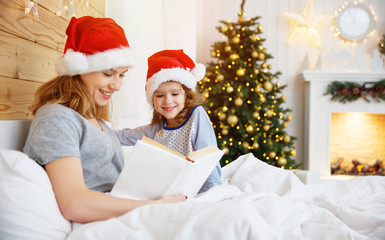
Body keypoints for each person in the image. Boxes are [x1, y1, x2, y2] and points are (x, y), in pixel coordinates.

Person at [23, 16, 186, 223]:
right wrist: (153, 207)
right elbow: (75, 204)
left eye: (122, 75)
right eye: (109, 73)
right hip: (104, 221)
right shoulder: (56, 119)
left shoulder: (97, 122)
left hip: (125, 212)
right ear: (78, 69)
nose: (117, 85)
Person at [115, 49, 223, 193]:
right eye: (160, 95)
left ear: (186, 94)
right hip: (172, 192)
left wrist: (213, 192)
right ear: (152, 99)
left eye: (175, 94)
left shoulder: (196, 115)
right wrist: (95, 129)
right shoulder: (156, 129)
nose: (168, 101)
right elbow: (124, 136)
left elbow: (208, 158)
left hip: (202, 189)